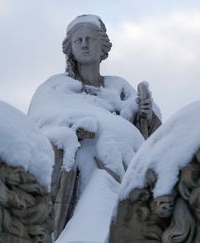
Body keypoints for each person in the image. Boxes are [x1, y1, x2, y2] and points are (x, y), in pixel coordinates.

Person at [28, 14, 161, 241]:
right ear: (71, 48)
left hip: (122, 158)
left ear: (103, 46)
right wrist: (73, 125)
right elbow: (39, 122)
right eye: (79, 40)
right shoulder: (56, 86)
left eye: (90, 39)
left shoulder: (119, 87)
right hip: (78, 160)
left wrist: (145, 115)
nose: (85, 44)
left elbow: (153, 136)